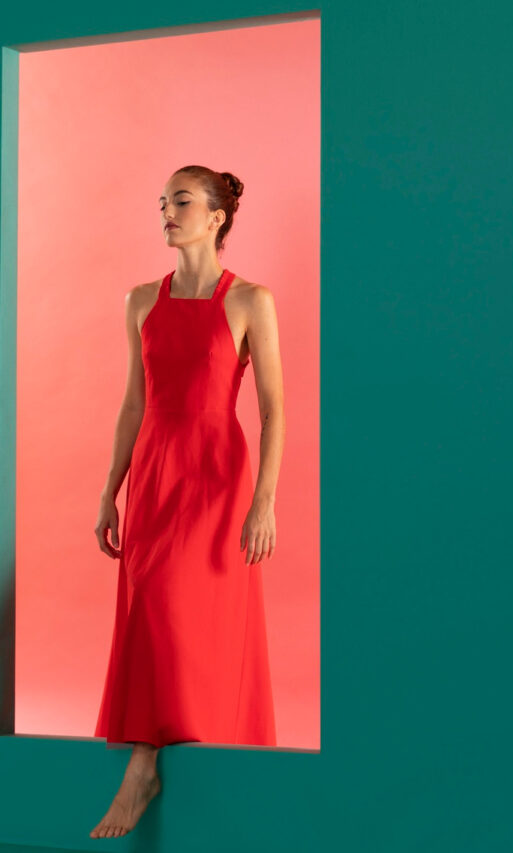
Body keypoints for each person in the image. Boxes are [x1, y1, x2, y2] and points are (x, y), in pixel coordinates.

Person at [89, 166, 285, 839]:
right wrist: (110, 489)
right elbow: (133, 403)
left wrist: (265, 500)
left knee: (200, 623)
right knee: (155, 606)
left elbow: (275, 409)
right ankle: (158, 764)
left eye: (180, 201)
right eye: (162, 203)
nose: (166, 212)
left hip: (217, 479)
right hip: (155, 475)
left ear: (217, 217)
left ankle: (153, 767)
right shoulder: (140, 300)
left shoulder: (251, 300)